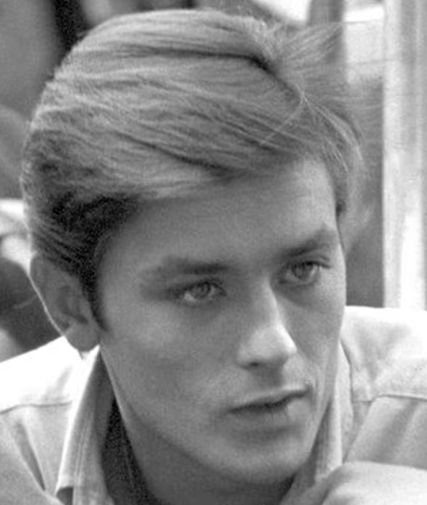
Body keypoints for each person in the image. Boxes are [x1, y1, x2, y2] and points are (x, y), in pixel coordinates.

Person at [0, 8, 427, 505]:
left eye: (303, 270)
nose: (274, 344)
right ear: (71, 304)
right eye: (200, 290)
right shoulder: (18, 453)